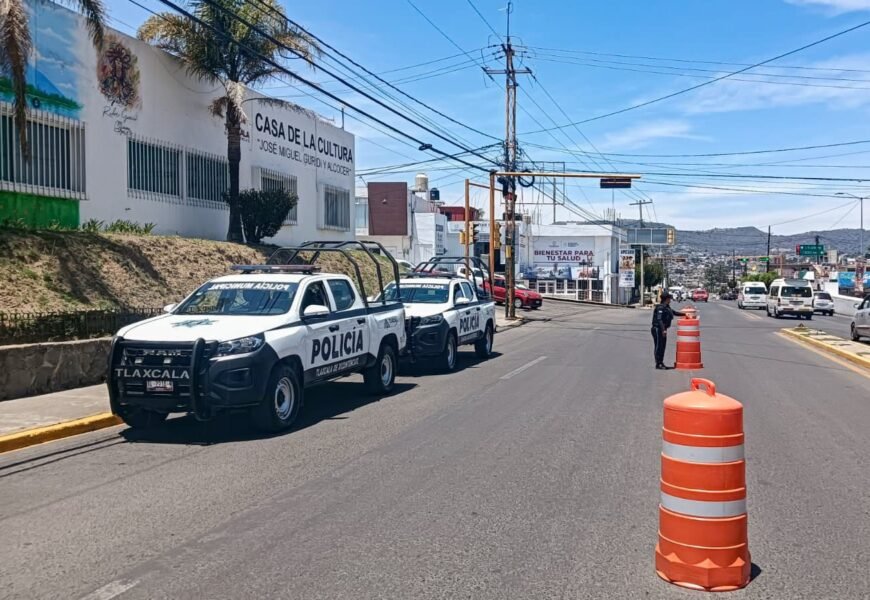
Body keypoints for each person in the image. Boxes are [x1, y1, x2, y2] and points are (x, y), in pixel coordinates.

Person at [651, 292, 687, 370]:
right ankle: (658, 363)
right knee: (658, 346)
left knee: (663, 346)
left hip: (663, 329)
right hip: (658, 329)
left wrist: (685, 314)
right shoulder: (660, 308)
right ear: (666, 299)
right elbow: (659, 320)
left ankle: (661, 362)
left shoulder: (667, 307)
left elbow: (674, 312)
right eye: (669, 298)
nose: (670, 300)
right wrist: (663, 330)